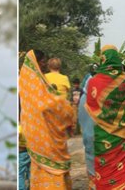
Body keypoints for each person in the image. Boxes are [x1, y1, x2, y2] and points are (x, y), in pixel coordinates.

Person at [20, 49, 76, 188]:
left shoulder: (26, 81)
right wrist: (67, 110)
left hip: (33, 135)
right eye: (43, 62)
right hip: (44, 137)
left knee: (32, 169)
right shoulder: (37, 83)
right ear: (36, 63)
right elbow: (47, 105)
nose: (44, 65)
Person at [85, 45, 125, 189]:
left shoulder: (94, 81)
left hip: (102, 135)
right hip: (123, 135)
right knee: (123, 173)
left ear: (103, 59)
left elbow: (91, 105)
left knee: (104, 170)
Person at [77, 71, 96, 188]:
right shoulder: (98, 98)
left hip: (88, 141)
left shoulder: (82, 99)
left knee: (91, 166)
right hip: (101, 140)